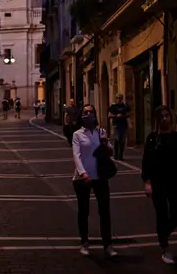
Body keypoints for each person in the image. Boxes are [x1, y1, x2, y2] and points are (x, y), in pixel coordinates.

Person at [141, 105, 177, 265]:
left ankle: (163, 234)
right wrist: (147, 182)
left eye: (167, 115)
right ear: (157, 120)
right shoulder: (153, 138)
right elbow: (146, 161)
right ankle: (165, 247)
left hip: (174, 181)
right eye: (162, 116)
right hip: (157, 182)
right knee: (162, 214)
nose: (165, 119)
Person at [71, 104, 117, 258]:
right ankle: (84, 242)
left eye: (91, 112)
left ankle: (107, 245)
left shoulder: (101, 132)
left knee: (104, 211)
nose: (89, 114)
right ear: (81, 115)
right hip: (83, 178)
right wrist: (83, 173)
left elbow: (110, 152)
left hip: (100, 176)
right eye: (86, 112)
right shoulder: (77, 134)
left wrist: (105, 142)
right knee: (83, 211)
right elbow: (76, 155)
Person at [107, 93, 131, 160]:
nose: (119, 99)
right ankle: (115, 155)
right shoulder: (113, 106)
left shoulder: (125, 105)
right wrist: (116, 116)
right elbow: (109, 115)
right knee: (117, 139)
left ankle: (120, 156)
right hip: (116, 125)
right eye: (117, 98)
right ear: (116, 98)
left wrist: (123, 116)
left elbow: (129, 113)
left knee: (122, 140)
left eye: (120, 98)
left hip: (124, 124)